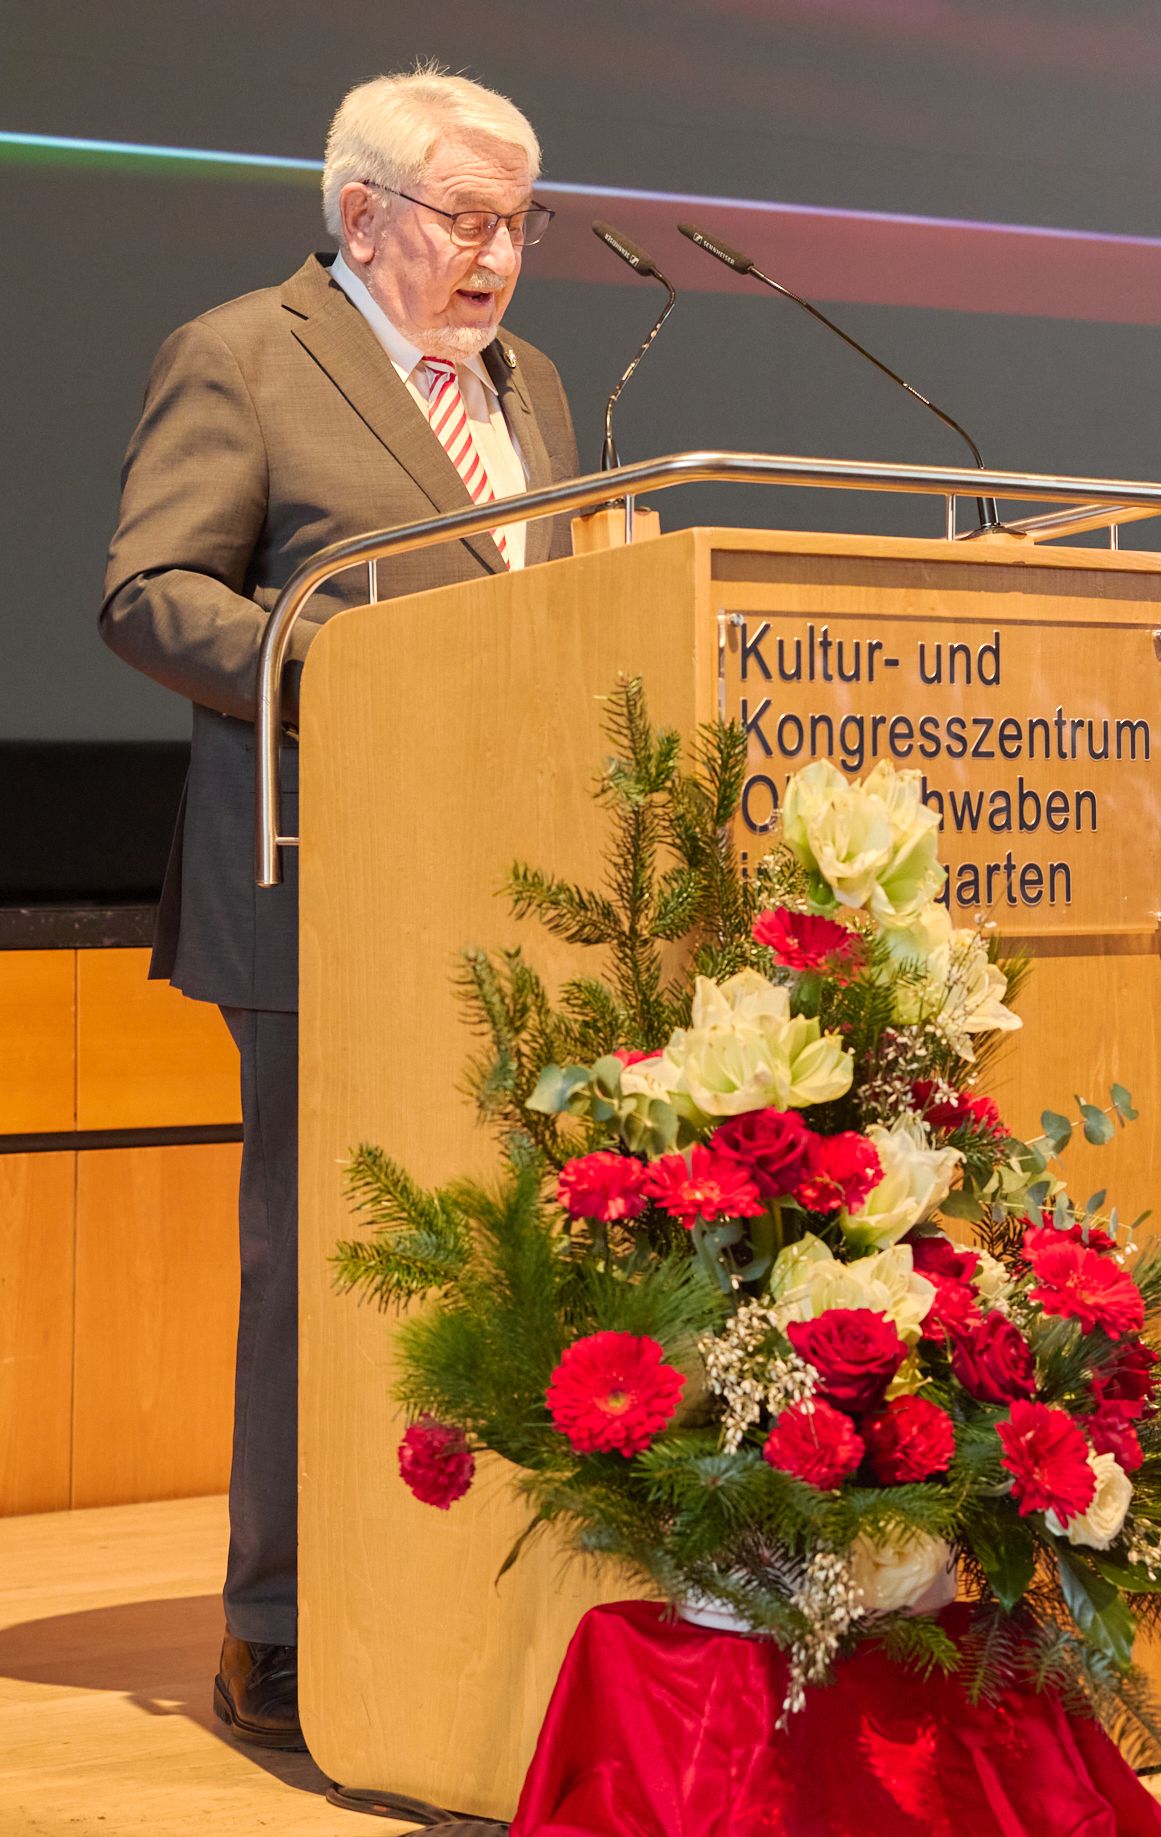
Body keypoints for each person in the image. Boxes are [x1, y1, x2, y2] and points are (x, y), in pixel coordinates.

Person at [100, 65, 579, 1750]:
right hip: (319, 882)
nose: (497, 255)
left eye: (518, 223)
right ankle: (277, 1625)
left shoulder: (534, 386)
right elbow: (149, 591)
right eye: (468, 219)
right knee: (319, 1263)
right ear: (363, 213)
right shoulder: (243, 354)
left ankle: (478, 1597)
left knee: (516, 1253)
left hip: (516, 892)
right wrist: (352, 669)